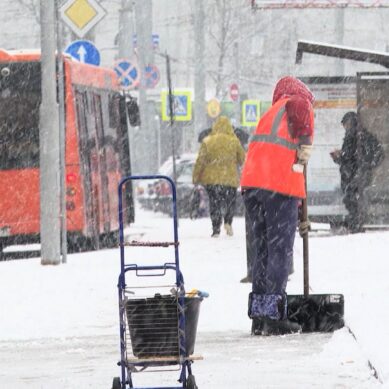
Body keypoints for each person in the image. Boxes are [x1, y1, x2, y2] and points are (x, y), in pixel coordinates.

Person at [240, 76, 315, 336]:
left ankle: (259, 316)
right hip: (277, 187)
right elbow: (297, 161)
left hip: (252, 186)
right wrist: (305, 144)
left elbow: (279, 156)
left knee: (262, 249)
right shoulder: (299, 103)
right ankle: (274, 317)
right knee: (279, 250)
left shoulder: (271, 112)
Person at [330, 111, 384, 233]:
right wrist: (339, 157)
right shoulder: (353, 136)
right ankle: (355, 224)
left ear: (352, 123)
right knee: (352, 200)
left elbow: (377, 155)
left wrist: (365, 165)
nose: (345, 127)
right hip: (352, 176)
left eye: (346, 124)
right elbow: (348, 159)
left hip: (356, 177)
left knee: (353, 200)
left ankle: (356, 225)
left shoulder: (360, 137)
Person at [193, 116, 246, 237]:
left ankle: (216, 228)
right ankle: (228, 222)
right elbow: (242, 159)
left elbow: (200, 161)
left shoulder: (207, 141)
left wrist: (196, 177)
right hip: (230, 178)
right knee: (230, 202)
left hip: (212, 180)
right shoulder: (234, 141)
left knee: (214, 203)